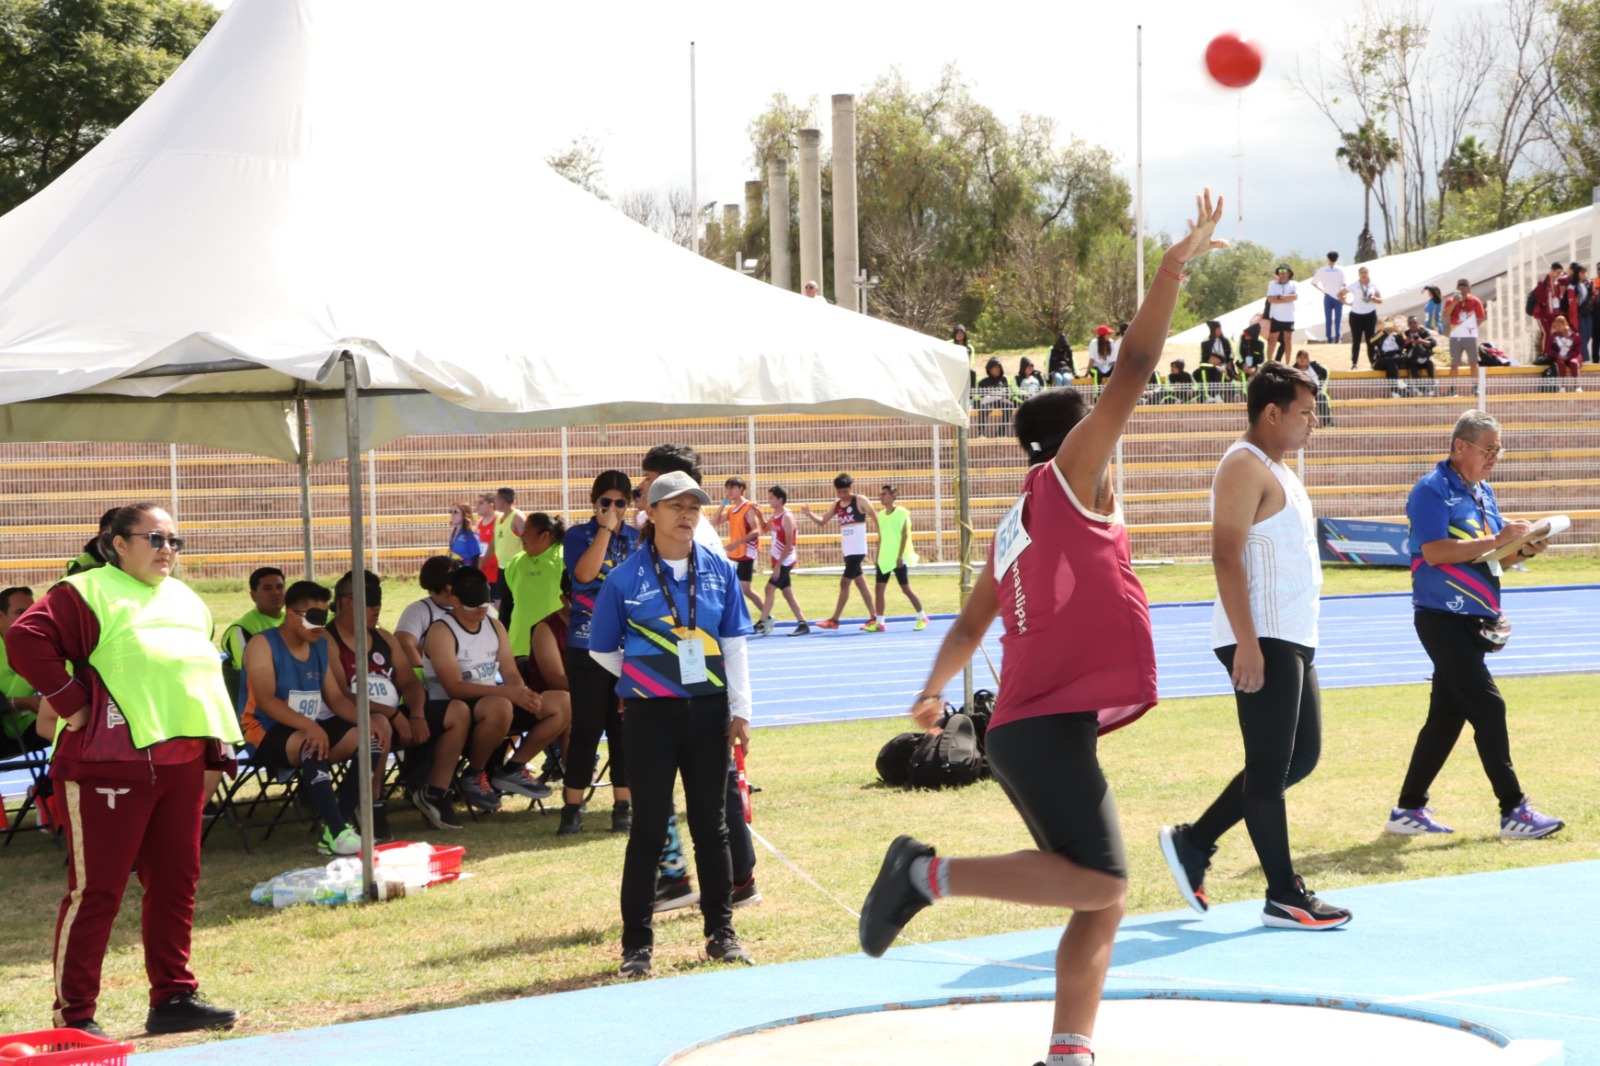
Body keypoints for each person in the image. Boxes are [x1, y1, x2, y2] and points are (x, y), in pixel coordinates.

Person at [857, 188, 1227, 1066]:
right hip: (1041, 729)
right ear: (1074, 439)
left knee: (1097, 899)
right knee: (1103, 879)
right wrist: (1173, 268)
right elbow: (1134, 367)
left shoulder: (1015, 522)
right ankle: (924, 874)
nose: (1116, 444)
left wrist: (934, 688)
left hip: (1027, 727)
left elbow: (969, 620)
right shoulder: (1070, 472)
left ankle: (1069, 1049)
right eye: (1102, 432)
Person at [5, 503, 241, 1037]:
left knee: (178, 882)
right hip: (107, 764)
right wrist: (70, 700)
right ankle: (76, 1017)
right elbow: (23, 639)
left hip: (180, 762)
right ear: (116, 542)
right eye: (154, 538)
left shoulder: (184, 597)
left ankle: (174, 997)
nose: (168, 550)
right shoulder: (85, 591)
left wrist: (212, 749)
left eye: (176, 541)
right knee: (98, 890)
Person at [1158, 362, 1351, 931]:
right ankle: (1283, 895)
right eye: (1305, 412)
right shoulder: (1242, 464)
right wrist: (1246, 643)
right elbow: (1224, 556)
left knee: (1300, 758)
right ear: (1271, 413)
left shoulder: (1279, 468)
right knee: (1269, 769)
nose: (1313, 422)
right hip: (1262, 635)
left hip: (1293, 635)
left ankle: (1194, 842)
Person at [589, 470, 756, 978]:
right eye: (676, 506)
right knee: (647, 829)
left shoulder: (719, 570)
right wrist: (644, 680)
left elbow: (733, 643)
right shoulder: (624, 577)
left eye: (695, 507)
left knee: (712, 827)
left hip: (708, 713)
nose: (687, 515)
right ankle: (636, 946)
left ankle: (721, 933)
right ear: (652, 514)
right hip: (649, 717)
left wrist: (742, 709)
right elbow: (601, 649)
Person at [1385, 410, 1564, 840]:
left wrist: (1523, 550)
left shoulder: (1482, 491)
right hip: (1441, 617)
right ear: (1459, 446)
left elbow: (1492, 558)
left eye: (1499, 451)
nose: (1495, 458)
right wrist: (1501, 539)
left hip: (1471, 616)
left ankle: (1407, 810)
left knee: (1445, 720)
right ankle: (1514, 810)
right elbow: (1435, 552)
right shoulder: (1430, 490)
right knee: (1489, 707)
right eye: (1489, 450)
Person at [240, 579, 370, 856]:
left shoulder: (321, 644)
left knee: (371, 741)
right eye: (313, 618)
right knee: (311, 744)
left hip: (306, 726)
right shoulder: (262, 644)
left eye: (324, 617)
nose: (320, 626)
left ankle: (337, 827)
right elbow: (265, 700)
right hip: (264, 728)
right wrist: (310, 726)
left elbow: (335, 698)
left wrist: (369, 722)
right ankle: (337, 832)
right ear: (291, 614)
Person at [420, 565, 545, 812]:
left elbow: (509, 671)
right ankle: (475, 773)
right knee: (500, 705)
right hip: (453, 707)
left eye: (484, 603)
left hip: (493, 702)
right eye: (472, 604)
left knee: (560, 703)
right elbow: (454, 687)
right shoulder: (441, 631)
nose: (480, 609)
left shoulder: (494, 625)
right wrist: (510, 694)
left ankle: (513, 768)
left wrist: (522, 694)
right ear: (453, 600)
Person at [561, 470, 639, 834]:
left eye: (620, 503)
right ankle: (572, 809)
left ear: (629, 504)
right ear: (594, 502)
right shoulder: (579, 535)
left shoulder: (638, 539)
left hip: (629, 647)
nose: (612, 508)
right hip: (587, 644)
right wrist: (605, 530)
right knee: (587, 728)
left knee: (625, 728)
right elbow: (585, 576)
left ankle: (623, 806)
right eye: (605, 502)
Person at [326, 569, 426, 843]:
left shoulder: (384, 637)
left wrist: (416, 714)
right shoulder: (327, 639)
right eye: (370, 602)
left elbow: (409, 683)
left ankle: (434, 792)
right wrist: (391, 714)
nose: (377, 608)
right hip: (348, 718)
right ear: (347, 602)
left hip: (394, 713)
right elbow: (341, 695)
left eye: (379, 601)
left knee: (455, 714)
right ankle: (371, 799)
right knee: (378, 725)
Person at [802, 473, 880, 631]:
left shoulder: (860, 500)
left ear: (851, 488)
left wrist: (881, 537)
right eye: (839, 492)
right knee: (860, 583)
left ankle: (835, 620)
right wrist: (809, 514)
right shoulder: (837, 504)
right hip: (848, 550)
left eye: (845, 491)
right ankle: (874, 617)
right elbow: (822, 521)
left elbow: (875, 517)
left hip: (858, 549)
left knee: (844, 583)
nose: (843, 495)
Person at [502, 513, 567, 663]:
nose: (521, 536)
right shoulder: (515, 563)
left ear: (544, 536)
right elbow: (507, 608)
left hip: (556, 648)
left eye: (526, 532)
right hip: (519, 649)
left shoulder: (565, 559)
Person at [219, 566, 286, 704]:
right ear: (253, 595)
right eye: (267, 588)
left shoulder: (295, 620)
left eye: (280, 587)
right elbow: (251, 674)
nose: (276, 592)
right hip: (257, 705)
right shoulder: (241, 629)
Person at [754, 486, 809, 636]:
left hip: (786, 560)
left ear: (780, 499)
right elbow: (765, 529)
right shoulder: (775, 515)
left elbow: (790, 543)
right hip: (778, 559)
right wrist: (759, 515)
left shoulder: (787, 516)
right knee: (787, 593)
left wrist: (778, 565)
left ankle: (762, 622)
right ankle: (803, 623)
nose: (769, 500)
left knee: (769, 589)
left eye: (771, 498)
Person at [872, 485, 929, 630]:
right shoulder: (881, 515)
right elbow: (881, 537)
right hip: (885, 557)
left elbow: (905, 535)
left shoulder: (902, 513)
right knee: (879, 588)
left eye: (884, 494)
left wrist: (899, 556)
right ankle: (880, 623)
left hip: (898, 557)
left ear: (892, 497)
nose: (881, 496)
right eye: (881, 494)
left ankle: (922, 616)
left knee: (905, 589)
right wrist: (877, 556)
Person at [0, 586, 47, 755]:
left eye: (33, 612)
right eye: (20, 612)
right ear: (0, 616)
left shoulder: (39, 645)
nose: (29, 618)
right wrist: (19, 702)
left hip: (28, 725)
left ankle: (60, 780)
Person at [713, 477, 766, 617]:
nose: (728, 491)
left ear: (741, 489)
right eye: (727, 488)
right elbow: (715, 521)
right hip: (735, 553)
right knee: (736, 589)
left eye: (732, 488)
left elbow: (756, 531)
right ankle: (765, 616)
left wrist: (737, 543)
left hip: (746, 552)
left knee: (744, 589)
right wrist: (723, 503)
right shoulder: (732, 510)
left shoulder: (748, 507)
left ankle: (766, 616)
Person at [394, 555, 459, 667]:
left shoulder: (477, 609)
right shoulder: (418, 610)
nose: (449, 588)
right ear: (430, 585)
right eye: (442, 584)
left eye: (453, 581)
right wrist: (422, 676)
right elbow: (403, 644)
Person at [1443, 277, 1486, 395]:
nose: (1461, 287)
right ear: (1457, 288)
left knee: (1473, 362)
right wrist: (1455, 302)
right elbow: (1446, 314)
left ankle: (1476, 387)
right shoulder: (1450, 300)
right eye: (1459, 285)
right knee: (1454, 363)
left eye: (1464, 285)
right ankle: (1452, 388)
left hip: (1470, 336)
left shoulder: (1475, 301)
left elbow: (1481, 317)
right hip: (1455, 336)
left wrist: (1472, 328)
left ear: (1469, 288)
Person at [1529, 262, 1577, 355]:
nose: (1559, 275)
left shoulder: (1557, 283)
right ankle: (1543, 354)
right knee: (1545, 332)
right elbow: (1540, 298)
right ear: (1552, 271)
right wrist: (1550, 294)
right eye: (1558, 272)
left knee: (1552, 334)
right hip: (1542, 314)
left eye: (1560, 273)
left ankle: (1549, 353)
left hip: (1552, 314)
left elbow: (1558, 297)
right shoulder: (1543, 282)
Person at [491, 487, 528, 606]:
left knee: (515, 602)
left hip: (516, 568)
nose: (494, 502)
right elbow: (494, 543)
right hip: (502, 567)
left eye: (496, 498)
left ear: (502, 500)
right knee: (502, 602)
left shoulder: (518, 518)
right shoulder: (498, 519)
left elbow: (529, 540)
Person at [1343, 266, 1383, 369]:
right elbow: (1340, 294)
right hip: (1356, 316)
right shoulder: (1354, 285)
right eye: (1361, 272)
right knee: (1356, 340)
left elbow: (1380, 300)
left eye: (1365, 272)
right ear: (1359, 274)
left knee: (1370, 340)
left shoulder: (1373, 285)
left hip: (1370, 315)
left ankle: (1372, 362)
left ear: (1368, 273)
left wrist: (1374, 298)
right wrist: (1346, 303)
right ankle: (1354, 363)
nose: (1364, 274)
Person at [62, 508, 117, 577]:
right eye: (110, 534)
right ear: (100, 534)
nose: (116, 540)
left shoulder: (132, 561)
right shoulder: (80, 566)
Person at [974, 357, 1015, 436]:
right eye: (995, 367)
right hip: (988, 401)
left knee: (1009, 405)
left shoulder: (1003, 379)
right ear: (989, 369)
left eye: (999, 367)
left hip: (1001, 400)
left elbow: (1008, 392)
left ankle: (1001, 434)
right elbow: (978, 396)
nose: (998, 369)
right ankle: (981, 433)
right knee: (984, 408)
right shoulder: (983, 382)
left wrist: (1005, 394)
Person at [1266, 264, 1298, 362]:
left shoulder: (1294, 284)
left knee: (1288, 341)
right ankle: (1269, 362)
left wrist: (1278, 297)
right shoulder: (1272, 284)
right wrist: (1285, 298)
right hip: (1276, 316)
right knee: (1272, 341)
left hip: (1289, 317)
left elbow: (1294, 297)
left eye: (1284, 272)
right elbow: (1270, 299)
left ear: (1289, 273)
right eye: (1280, 272)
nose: (1282, 274)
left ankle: (1287, 363)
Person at [1313, 251, 1346, 344]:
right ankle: (1338, 339)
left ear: (1328, 258)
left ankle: (1328, 339)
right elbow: (1344, 284)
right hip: (1338, 296)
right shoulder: (1340, 270)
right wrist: (1344, 296)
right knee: (1338, 319)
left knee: (1328, 319)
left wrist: (1322, 290)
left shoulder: (1322, 270)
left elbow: (1313, 282)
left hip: (1328, 296)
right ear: (1337, 259)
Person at [1294, 349, 1333, 427]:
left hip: (1315, 392)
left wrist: (1321, 386)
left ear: (1308, 360)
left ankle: (1328, 424)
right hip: (1301, 395)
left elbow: (1324, 373)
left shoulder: (1314, 366)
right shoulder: (1293, 370)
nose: (1302, 360)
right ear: (1297, 359)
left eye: (1304, 358)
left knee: (1322, 397)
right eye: (1300, 357)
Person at [1402, 315, 1439, 394]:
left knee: (1430, 364)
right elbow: (1400, 347)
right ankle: (1421, 388)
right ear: (1408, 325)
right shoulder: (1406, 334)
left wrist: (1420, 341)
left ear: (1418, 323)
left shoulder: (1423, 332)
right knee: (1412, 366)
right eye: (1410, 323)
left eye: (1414, 322)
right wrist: (1405, 343)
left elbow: (1433, 343)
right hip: (1413, 360)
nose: (1412, 324)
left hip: (1424, 357)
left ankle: (1432, 385)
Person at [1545, 315, 1583, 390]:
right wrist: (1557, 355)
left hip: (1572, 356)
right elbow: (1548, 349)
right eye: (1556, 326)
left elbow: (1577, 350)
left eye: (1559, 325)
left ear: (1565, 324)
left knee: (1574, 363)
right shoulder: (1553, 336)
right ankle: (1562, 386)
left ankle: (1577, 386)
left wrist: (1568, 356)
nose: (1558, 328)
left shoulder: (1574, 335)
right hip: (1559, 356)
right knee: (1560, 364)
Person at [475, 494, 500, 586]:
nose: (477, 506)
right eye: (476, 503)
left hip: (497, 573)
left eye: (481, 503)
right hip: (483, 574)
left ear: (491, 505)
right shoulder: (478, 524)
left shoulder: (500, 521)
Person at [447, 501, 481, 566]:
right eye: (451, 512)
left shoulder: (470, 532)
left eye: (456, 512)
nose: (452, 515)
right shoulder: (454, 532)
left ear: (464, 514)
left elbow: (476, 557)